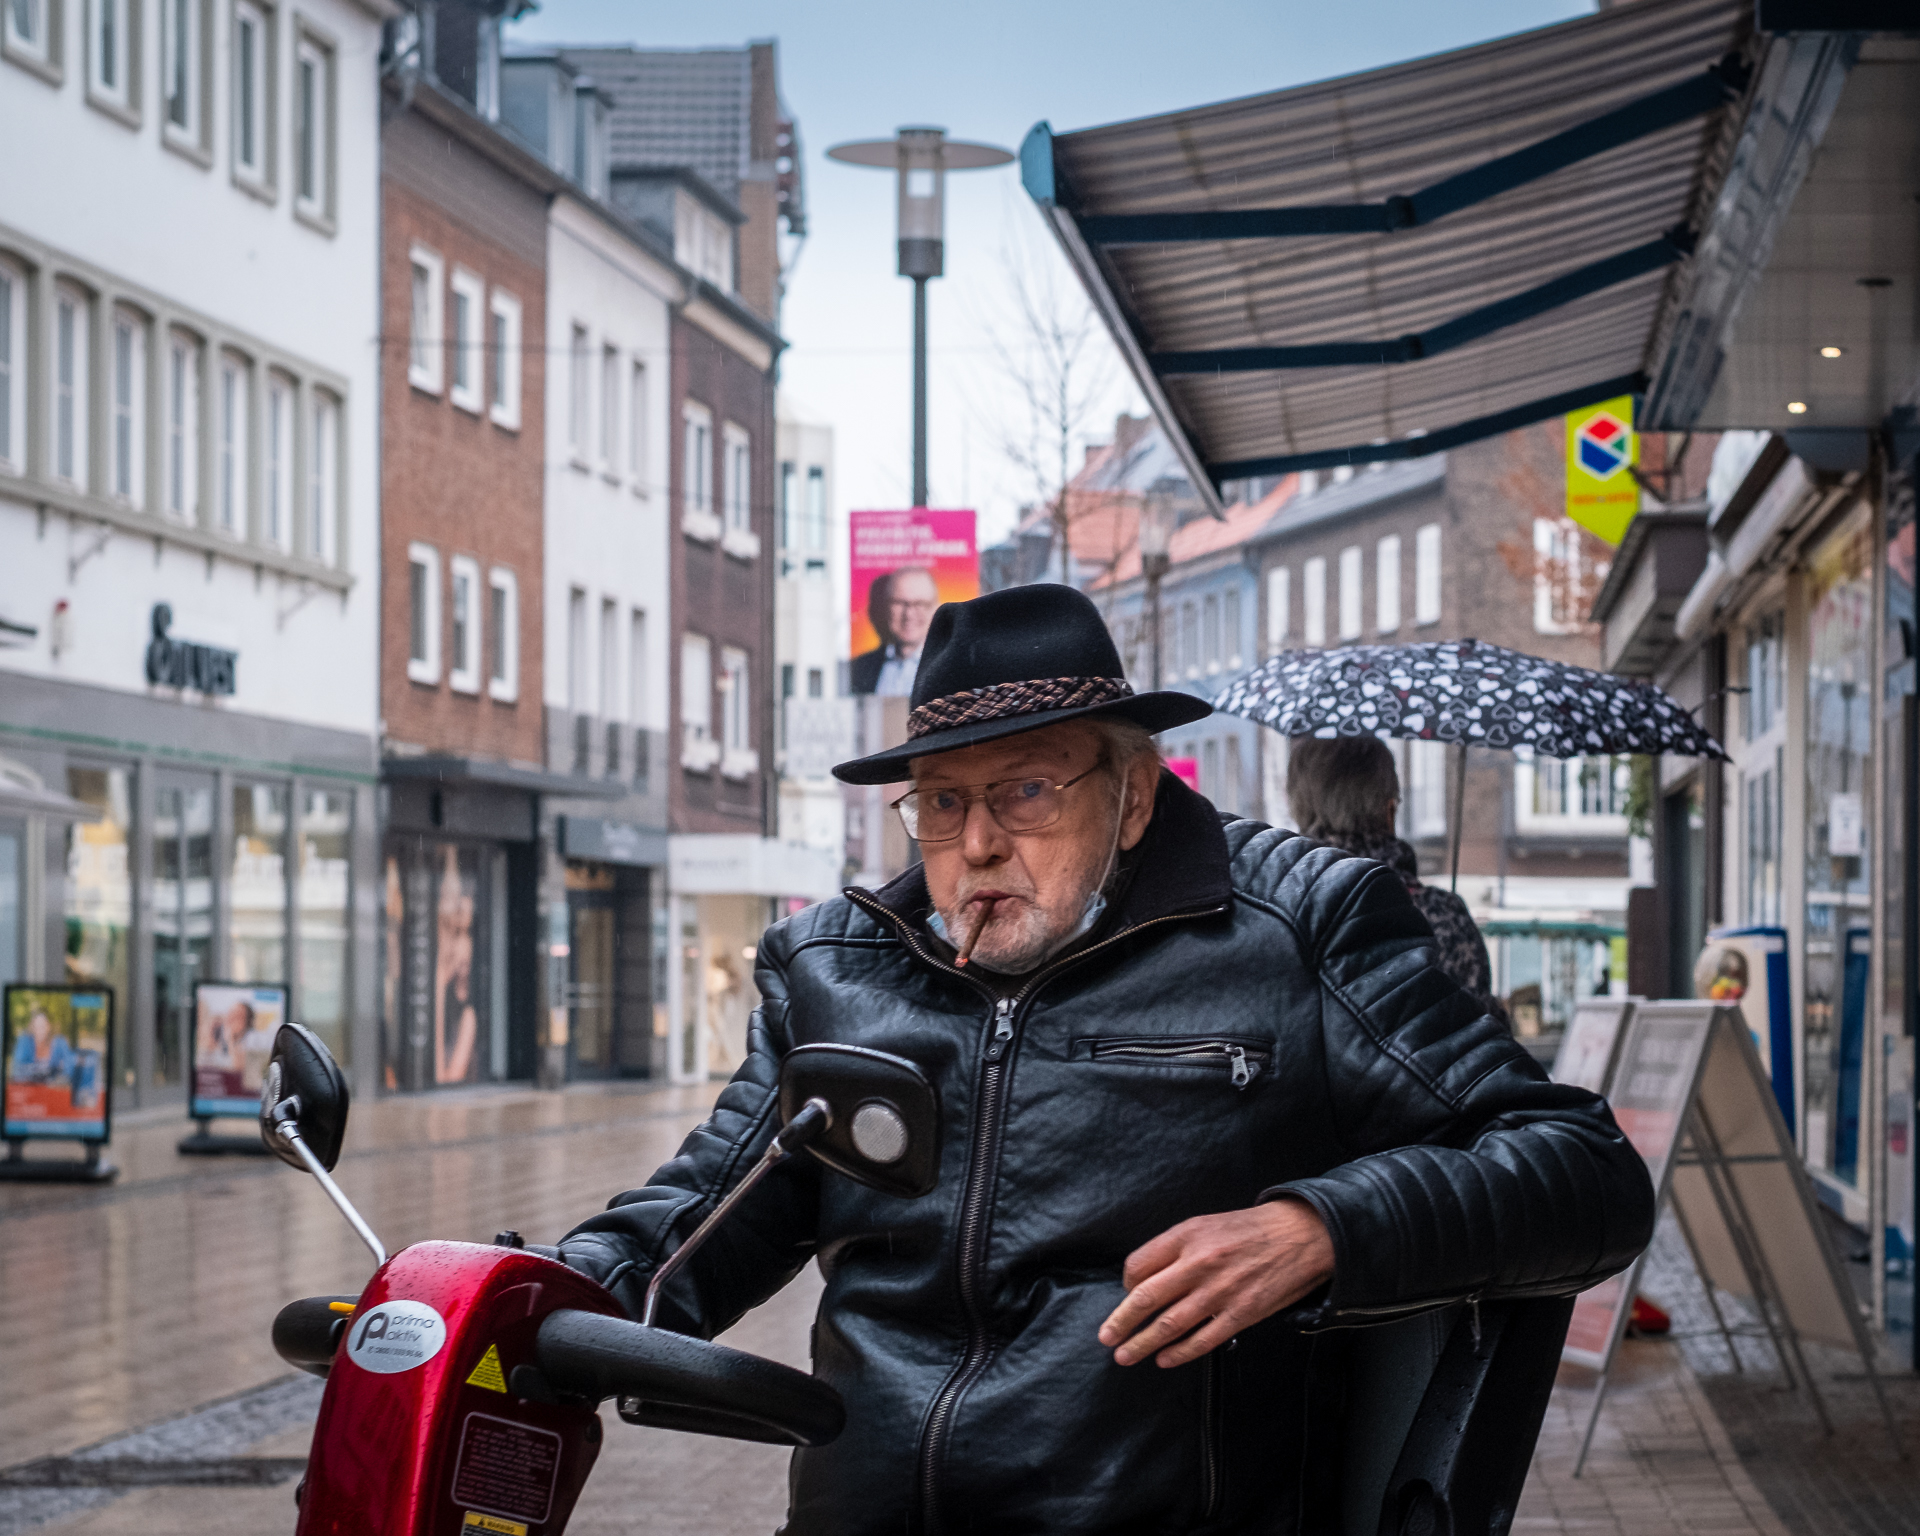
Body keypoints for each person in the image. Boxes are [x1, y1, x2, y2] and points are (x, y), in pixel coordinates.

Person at [552, 584, 1654, 1535]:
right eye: (942, 800)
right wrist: (520, 1299)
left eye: (1025, 789)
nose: (977, 842)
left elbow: (1583, 1168)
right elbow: (696, 1222)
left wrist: (1322, 1229)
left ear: (1133, 797)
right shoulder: (833, 969)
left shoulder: (1297, 928)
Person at [1285, 734, 1497, 1008]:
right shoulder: (1442, 917)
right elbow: (1479, 1024)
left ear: (1298, 809)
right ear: (1389, 810)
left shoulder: (1277, 912)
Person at [849, 564, 939, 696]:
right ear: (886, 607)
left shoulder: (951, 668)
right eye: (899, 603)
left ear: (936, 609)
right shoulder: (858, 668)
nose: (909, 614)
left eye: (920, 604)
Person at [11, 1006, 76, 1086]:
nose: (39, 1031)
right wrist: (51, 1071)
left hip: (53, 1090)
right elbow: (17, 1070)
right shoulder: (24, 1042)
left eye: (42, 1026)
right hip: (30, 1090)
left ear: (49, 1026)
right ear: (31, 1027)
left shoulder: (60, 1043)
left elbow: (69, 1070)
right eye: (36, 1027)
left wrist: (57, 1079)